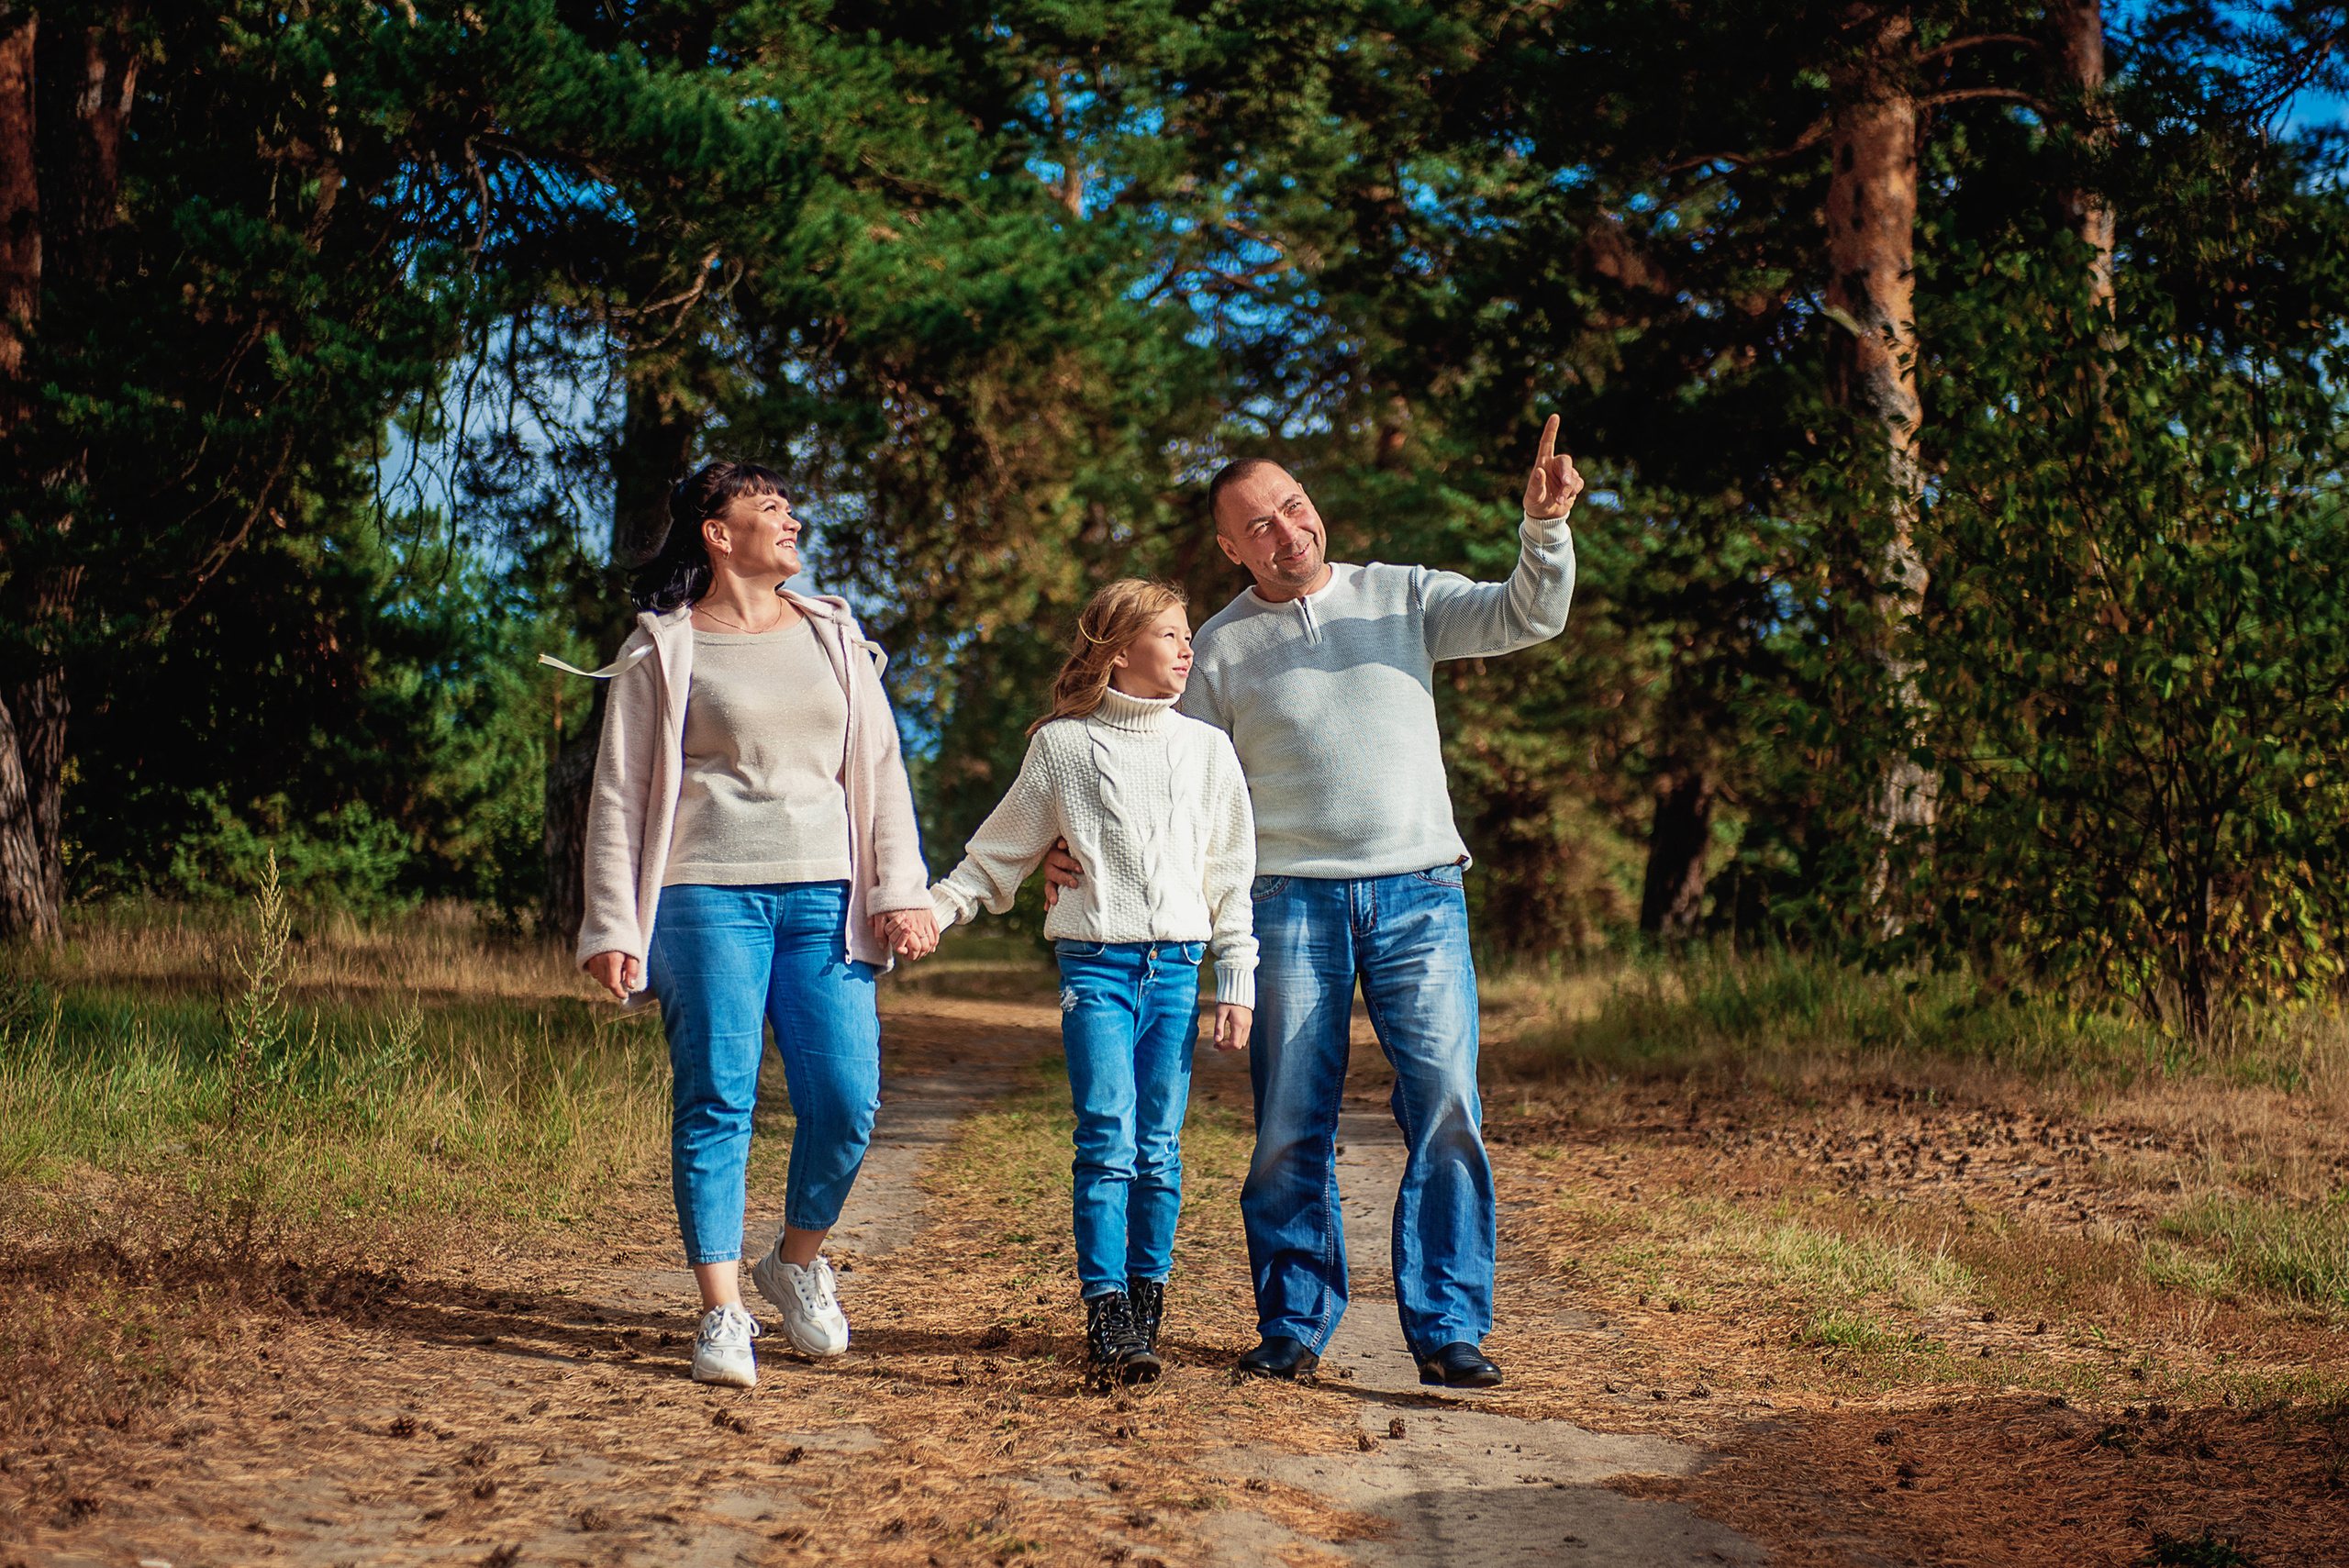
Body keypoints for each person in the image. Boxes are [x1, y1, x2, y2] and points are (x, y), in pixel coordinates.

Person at [1047, 417, 1584, 1389]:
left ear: (1314, 509)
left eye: (1293, 508)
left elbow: (1524, 616)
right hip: (1288, 904)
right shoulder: (1211, 649)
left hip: (1421, 891)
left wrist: (1543, 528)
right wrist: (1071, 837)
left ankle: (1449, 1326)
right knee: (1292, 1117)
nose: (1285, 531)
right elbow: (1164, 776)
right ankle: (1292, 1320)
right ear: (1229, 547)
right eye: (1257, 525)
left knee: (1447, 1106)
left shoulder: (1403, 594)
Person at [568, 459, 940, 1389]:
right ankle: (721, 1310)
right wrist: (613, 924)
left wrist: (903, 888)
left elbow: (881, 771)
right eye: (768, 506)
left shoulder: (834, 636)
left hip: (826, 896)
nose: (791, 519)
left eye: (789, 505)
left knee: (846, 1100)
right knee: (717, 1098)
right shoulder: (664, 646)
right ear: (716, 531)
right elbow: (619, 795)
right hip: (704, 894)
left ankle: (796, 1260)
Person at [928, 579, 1257, 1385]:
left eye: (1188, 635)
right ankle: (1106, 1308)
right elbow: (998, 851)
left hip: (1179, 969)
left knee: (1160, 1147)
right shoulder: (1064, 748)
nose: (1188, 648)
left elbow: (1229, 871)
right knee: (1107, 1136)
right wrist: (930, 910)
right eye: (1172, 634)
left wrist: (1236, 973)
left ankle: (1149, 1299)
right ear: (1118, 651)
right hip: (1097, 966)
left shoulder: (1208, 749)